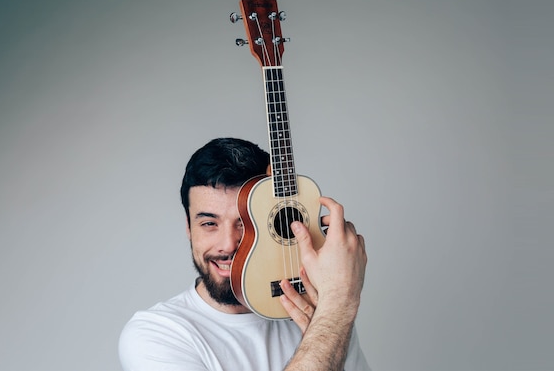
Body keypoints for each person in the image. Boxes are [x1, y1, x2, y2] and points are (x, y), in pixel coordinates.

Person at [119, 138, 370, 371]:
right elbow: (334, 316)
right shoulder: (155, 335)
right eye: (209, 223)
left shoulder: (321, 313)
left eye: (244, 223)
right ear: (188, 227)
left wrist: (332, 310)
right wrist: (338, 302)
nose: (228, 245)